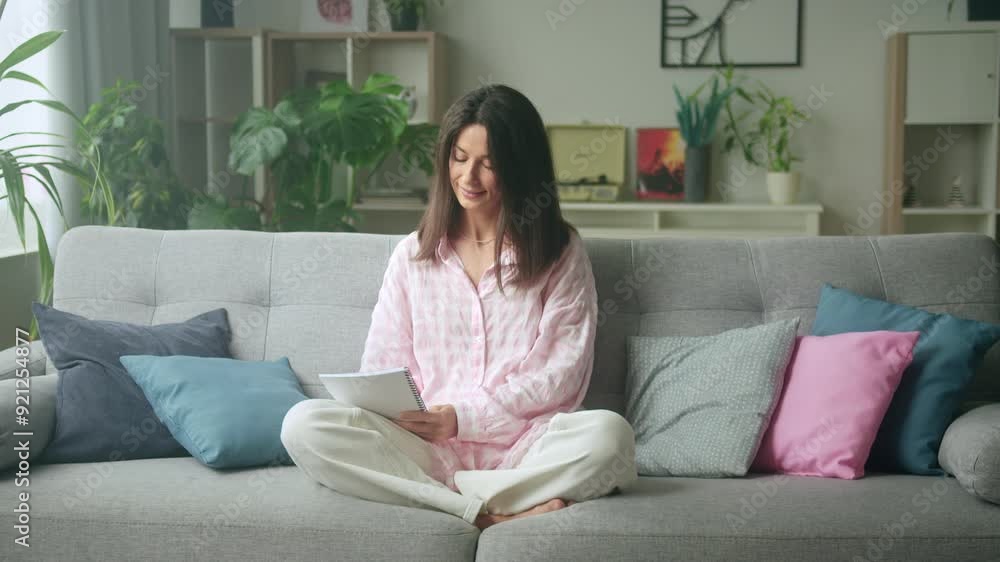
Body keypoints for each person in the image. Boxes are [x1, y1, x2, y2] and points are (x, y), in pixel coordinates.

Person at [280, 84, 638, 530]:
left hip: (525, 447)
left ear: (521, 168)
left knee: (610, 438)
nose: (468, 177)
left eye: (489, 164)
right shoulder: (413, 255)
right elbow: (383, 362)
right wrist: (408, 415)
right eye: (459, 157)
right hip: (425, 448)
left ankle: (438, 501)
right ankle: (484, 514)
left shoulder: (560, 252)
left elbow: (561, 376)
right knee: (303, 425)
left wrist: (463, 418)